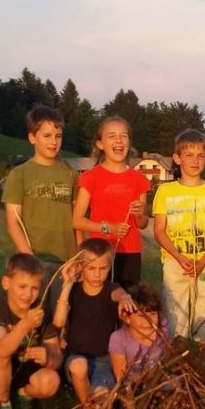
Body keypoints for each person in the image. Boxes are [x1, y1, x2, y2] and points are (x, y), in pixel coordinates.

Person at [152, 129, 205, 361]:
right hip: (175, 264)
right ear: (177, 158)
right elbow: (159, 231)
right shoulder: (165, 191)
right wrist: (179, 257)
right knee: (175, 316)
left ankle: (204, 369)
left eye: (200, 155)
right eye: (189, 155)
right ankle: (175, 366)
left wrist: (202, 262)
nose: (195, 161)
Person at [0, 253, 63, 409]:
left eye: (34, 288)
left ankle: (22, 394)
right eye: (22, 286)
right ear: (6, 283)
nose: (28, 294)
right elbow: (1, 350)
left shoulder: (42, 310)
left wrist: (48, 358)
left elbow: (57, 356)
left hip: (27, 368)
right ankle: (3, 405)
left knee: (51, 380)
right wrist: (25, 325)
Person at [53, 238, 137, 404]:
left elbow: (118, 293)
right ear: (80, 267)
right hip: (75, 357)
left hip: (103, 361)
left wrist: (124, 297)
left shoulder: (111, 289)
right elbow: (58, 323)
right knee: (79, 366)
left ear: (109, 267)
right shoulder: (73, 290)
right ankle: (87, 407)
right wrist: (67, 284)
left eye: (102, 268)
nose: (97, 274)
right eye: (91, 268)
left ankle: (95, 405)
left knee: (103, 396)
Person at [71, 116, 150, 289]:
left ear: (129, 142)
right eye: (112, 136)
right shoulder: (90, 177)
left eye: (124, 136)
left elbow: (143, 223)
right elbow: (77, 221)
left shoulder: (140, 180)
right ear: (100, 144)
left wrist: (139, 215)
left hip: (130, 253)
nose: (119, 140)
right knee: (100, 300)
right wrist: (109, 228)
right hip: (98, 253)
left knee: (127, 299)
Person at [3, 105, 79, 270]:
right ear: (32, 138)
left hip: (67, 260)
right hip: (34, 258)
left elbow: (77, 219)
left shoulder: (71, 173)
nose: (54, 142)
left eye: (58, 136)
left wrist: (79, 256)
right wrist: (30, 259)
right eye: (47, 136)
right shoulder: (19, 174)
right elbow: (13, 223)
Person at [109, 284, 167, 381]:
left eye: (153, 314)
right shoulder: (118, 338)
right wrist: (146, 376)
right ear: (126, 317)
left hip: (160, 380)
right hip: (133, 385)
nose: (148, 320)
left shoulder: (163, 331)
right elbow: (121, 377)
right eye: (141, 316)